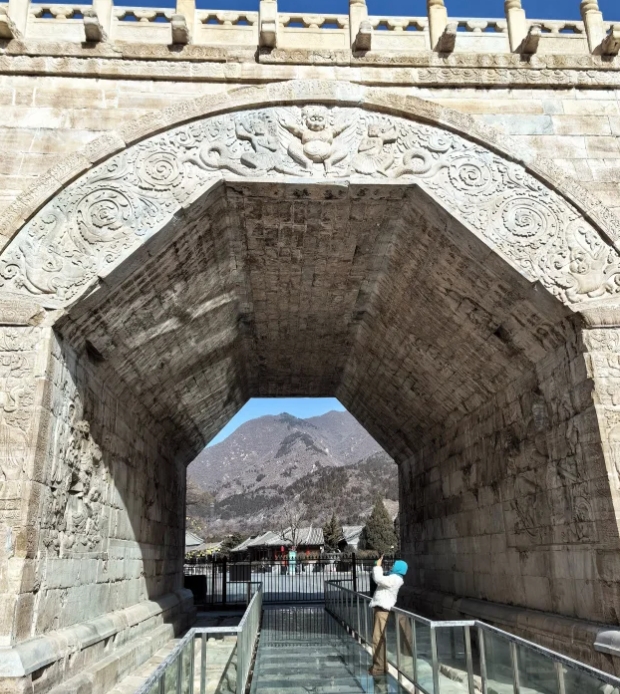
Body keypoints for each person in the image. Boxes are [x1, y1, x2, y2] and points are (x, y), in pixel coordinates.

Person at [368, 555, 408, 677]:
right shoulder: (393, 577)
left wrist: (378, 566)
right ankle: (381, 665)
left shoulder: (396, 579)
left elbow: (379, 579)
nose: (392, 566)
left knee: (377, 638)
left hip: (383, 609)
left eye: (394, 565)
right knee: (378, 638)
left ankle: (379, 668)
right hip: (380, 608)